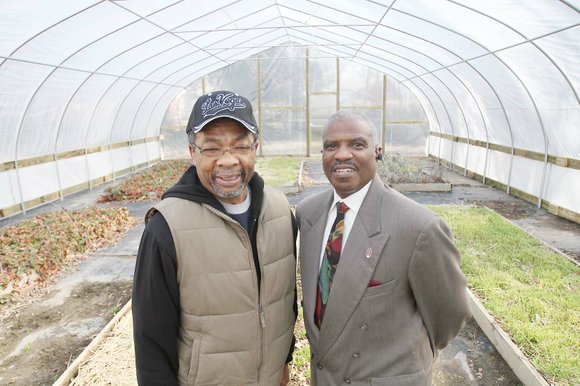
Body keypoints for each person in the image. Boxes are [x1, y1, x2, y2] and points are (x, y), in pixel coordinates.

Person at [132, 90, 297, 385]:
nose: (228, 160)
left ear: (255, 148)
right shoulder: (166, 227)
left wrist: (284, 361)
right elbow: (151, 340)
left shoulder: (281, 212)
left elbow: (285, 301)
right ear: (192, 152)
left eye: (240, 146)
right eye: (211, 149)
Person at [296, 110, 471, 385]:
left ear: (377, 151)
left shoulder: (418, 227)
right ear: (322, 154)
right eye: (332, 146)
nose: (342, 154)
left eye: (356, 144)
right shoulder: (308, 214)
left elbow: (449, 317)